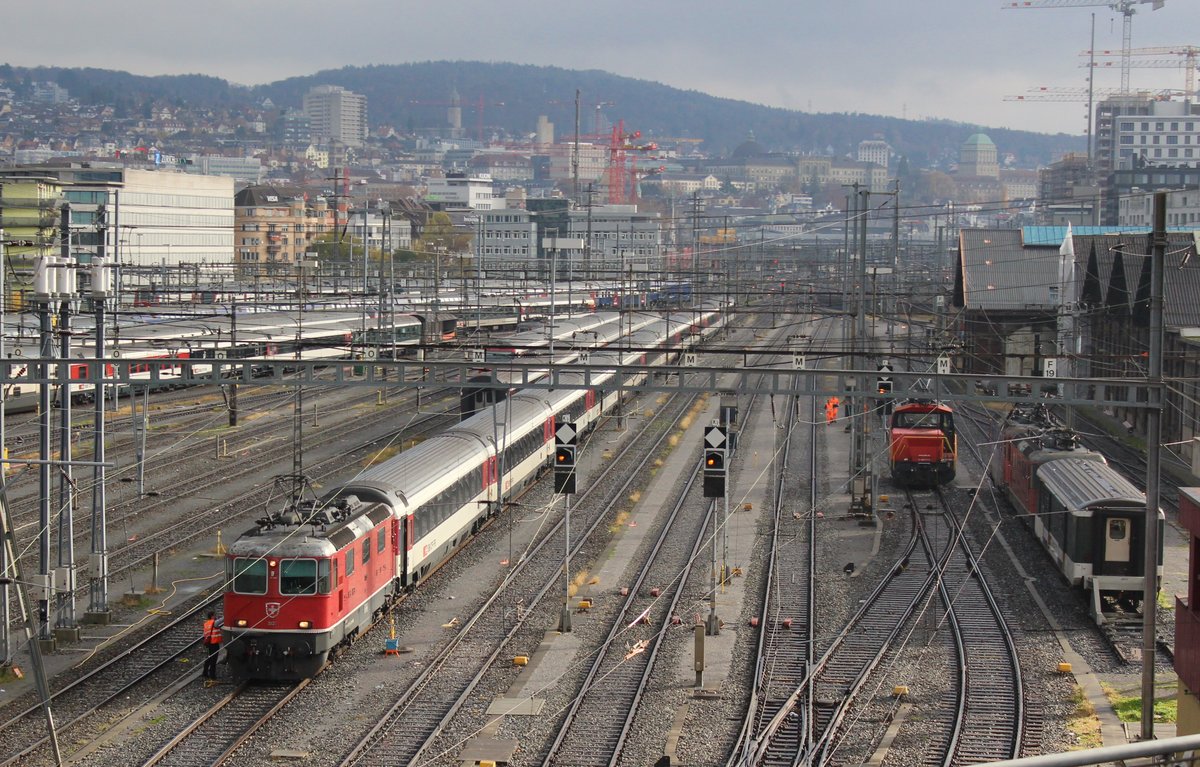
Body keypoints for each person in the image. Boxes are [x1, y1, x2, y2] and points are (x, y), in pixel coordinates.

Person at [202, 611, 222, 681]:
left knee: (209, 657)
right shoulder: (214, 622)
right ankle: (212, 675)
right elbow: (222, 620)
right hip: (214, 643)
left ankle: (205, 672)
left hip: (209, 643)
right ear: (212, 616)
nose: (215, 616)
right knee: (214, 659)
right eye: (214, 615)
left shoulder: (206, 623)